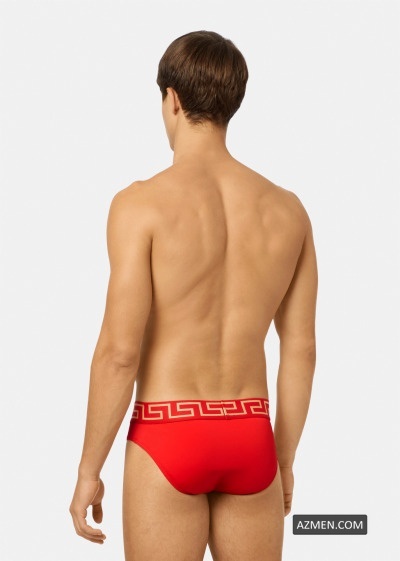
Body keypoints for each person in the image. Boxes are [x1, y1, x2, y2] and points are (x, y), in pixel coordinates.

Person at [69, 29, 318, 561]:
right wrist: (283, 461)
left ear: (172, 100)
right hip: (251, 435)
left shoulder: (140, 205)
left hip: (169, 433)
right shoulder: (288, 211)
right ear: (232, 103)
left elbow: (119, 353)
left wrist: (90, 469)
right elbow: (301, 350)